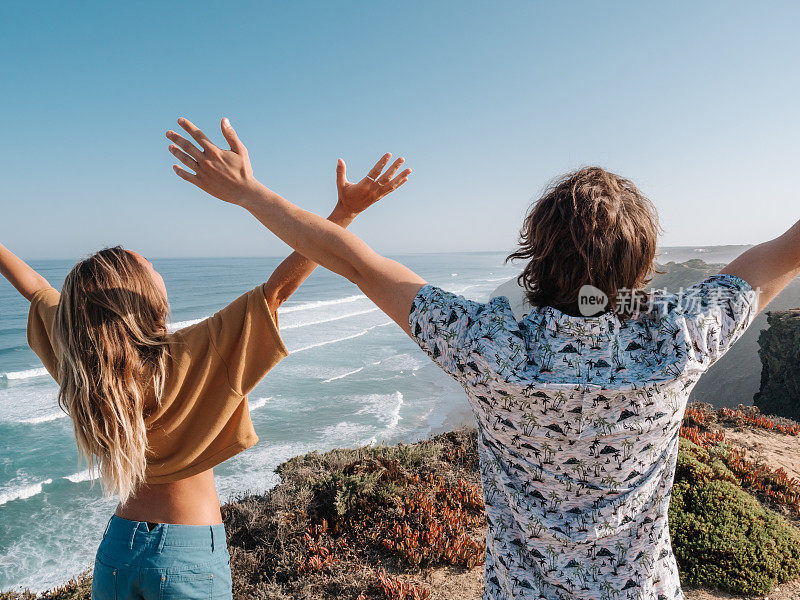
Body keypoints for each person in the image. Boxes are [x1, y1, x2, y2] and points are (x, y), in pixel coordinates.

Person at [166, 116, 800, 600]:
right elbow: (782, 253)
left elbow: (356, 263)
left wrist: (251, 194)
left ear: (536, 256)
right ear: (641, 265)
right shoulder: (676, 339)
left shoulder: (490, 346)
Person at [0, 146, 410, 600]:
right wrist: (343, 213)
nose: (158, 268)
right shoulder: (196, 351)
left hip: (117, 550)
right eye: (148, 266)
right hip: (185, 556)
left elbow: (34, 289)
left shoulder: (85, 362)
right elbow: (276, 292)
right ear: (141, 296)